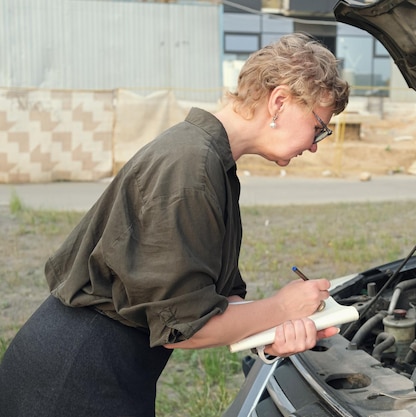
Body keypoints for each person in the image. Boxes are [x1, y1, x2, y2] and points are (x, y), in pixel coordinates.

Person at [0, 32, 350, 416]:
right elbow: (184, 329)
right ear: (279, 101)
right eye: (320, 125)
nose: (316, 143)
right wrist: (281, 308)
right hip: (75, 379)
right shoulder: (191, 168)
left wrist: (271, 335)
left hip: (102, 368)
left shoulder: (210, 161)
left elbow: (210, 303)